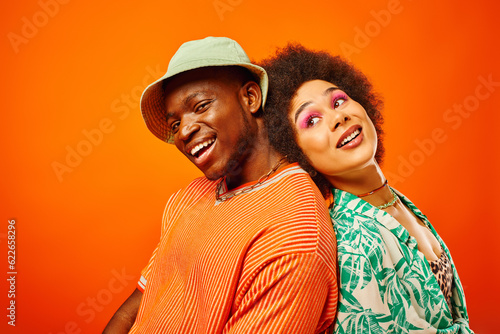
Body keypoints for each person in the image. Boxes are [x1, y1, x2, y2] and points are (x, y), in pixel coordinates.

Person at [103, 37, 338, 334]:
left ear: (250, 98)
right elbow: (139, 303)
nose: (185, 131)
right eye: (174, 124)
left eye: (200, 106)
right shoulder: (189, 196)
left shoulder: (294, 232)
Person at [259, 44, 473, 333]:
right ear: (295, 152)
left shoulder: (396, 203)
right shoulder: (351, 244)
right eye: (312, 120)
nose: (338, 117)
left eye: (338, 101)